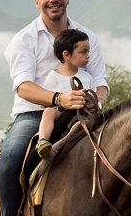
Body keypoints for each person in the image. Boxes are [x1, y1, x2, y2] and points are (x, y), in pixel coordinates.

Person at [0, 0, 108, 216]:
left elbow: (100, 81)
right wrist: (59, 99)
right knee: (10, 157)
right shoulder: (24, 40)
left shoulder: (88, 37)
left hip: (83, 111)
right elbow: (23, 86)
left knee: (130, 141)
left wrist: (93, 99)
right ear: (37, 2)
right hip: (36, 113)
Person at [33, 28, 94, 159]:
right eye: (83, 52)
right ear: (66, 54)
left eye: (88, 51)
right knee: (48, 112)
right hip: (62, 111)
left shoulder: (87, 77)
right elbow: (49, 102)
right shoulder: (54, 76)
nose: (88, 56)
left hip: (83, 113)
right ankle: (43, 141)